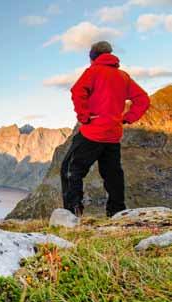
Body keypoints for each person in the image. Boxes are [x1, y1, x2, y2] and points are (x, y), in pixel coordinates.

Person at [61, 41, 150, 217]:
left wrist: (84, 117)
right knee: (112, 174)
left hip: (93, 132)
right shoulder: (123, 76)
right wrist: (127, 118)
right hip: (113, 135)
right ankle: (116, 211)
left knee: (71, 169)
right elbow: (143, 100)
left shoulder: (93, 72)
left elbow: (77, 91)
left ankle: (73, 212)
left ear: (93, 56)